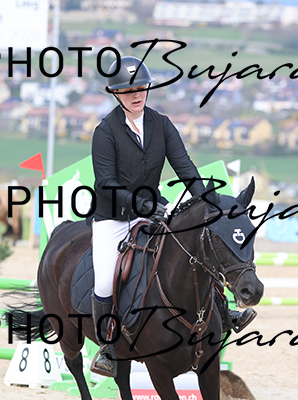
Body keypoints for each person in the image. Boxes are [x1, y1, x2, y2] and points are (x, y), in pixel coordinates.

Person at [90, 56, 256, 377]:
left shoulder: (162, 124)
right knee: (106, 278)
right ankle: (107, 346)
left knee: (197, 249)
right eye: (129, 90)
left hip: (154, 210)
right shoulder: (105, 131)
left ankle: (225, 312)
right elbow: (106, 184)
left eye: (141, 88)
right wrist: (143, 204)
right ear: (116, 93)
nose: (137, 95)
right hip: (114, 217)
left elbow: (186, 169)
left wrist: (207, 204)